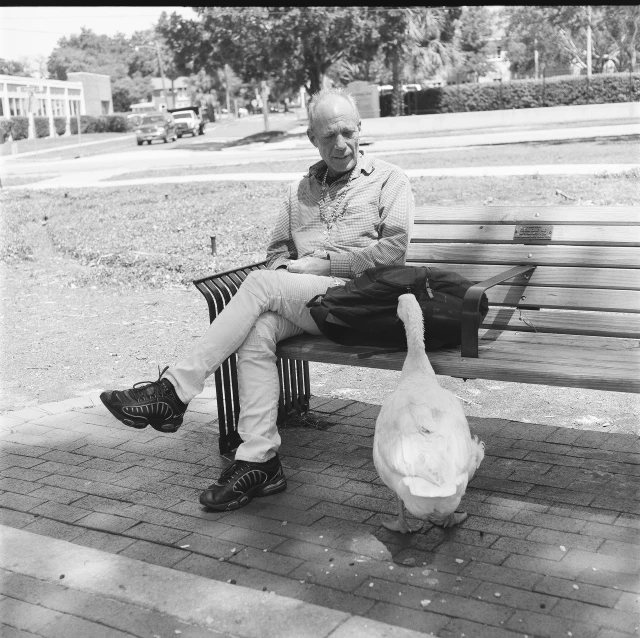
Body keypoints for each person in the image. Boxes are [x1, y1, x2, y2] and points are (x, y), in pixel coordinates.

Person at [100, 87, 415, 512]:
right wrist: (290, 269)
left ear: (360, 129)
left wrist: (324, 265)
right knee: (259, 328)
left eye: (346, 132)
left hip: (363, 301)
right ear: (311, 139)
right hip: (310, 305)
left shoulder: (389, 180)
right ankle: (259, 459)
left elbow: (392, 251)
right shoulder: (300, 191)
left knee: (260, 287)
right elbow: (277, 254)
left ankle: (174, 392)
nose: (339, 145)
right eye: (328, 136)